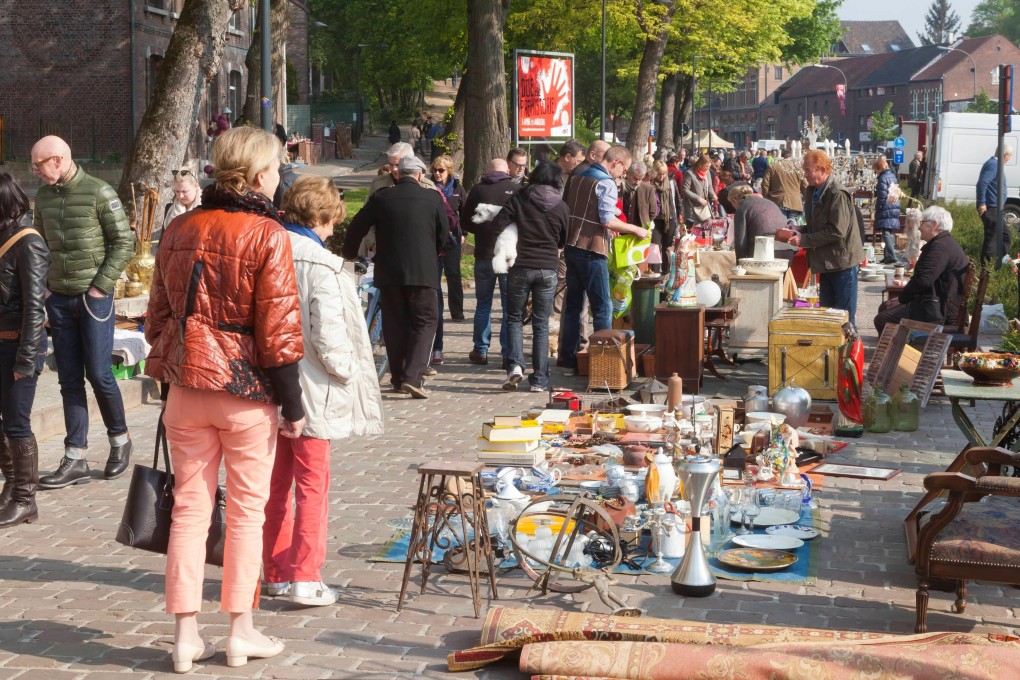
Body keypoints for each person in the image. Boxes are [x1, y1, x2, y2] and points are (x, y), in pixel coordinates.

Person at [145, 126, 305, 672]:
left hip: (187, 389)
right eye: (278, 169)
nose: (280, 176)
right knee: (245, 513)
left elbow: (156, 320)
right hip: (244, 391)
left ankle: (185, 636)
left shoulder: (179, 228)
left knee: (189, 509)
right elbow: (280, 331)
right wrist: (295, 404)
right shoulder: (266, 233)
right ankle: (241, 630)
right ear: (260, 175)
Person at [263, 176, 383, 607]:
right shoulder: (322, 264)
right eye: (332, 221)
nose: (334, 229)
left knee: (273, 484)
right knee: (312, 483)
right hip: (311, 387)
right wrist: (349, 371)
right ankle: (305, 575)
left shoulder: (266, 249)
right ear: (321, 217)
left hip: (266, 385)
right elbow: (329, 338)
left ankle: (274, 572)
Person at [31, 135, 134, 489]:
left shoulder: (100, 192)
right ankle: (75, 456)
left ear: (57, 160)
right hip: (58, 298)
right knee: (68, 379)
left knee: (101, 374)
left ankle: (120, 441)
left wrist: (100, 286)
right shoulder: (43, 196)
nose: (36, 171)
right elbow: (39, 241)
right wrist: (46, 288)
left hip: (94, 299)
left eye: (39, 164)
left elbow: (124, 242)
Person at [342, 156, 450, 399]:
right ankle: (412, 377)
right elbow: (444, 233)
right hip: (422, 272)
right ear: (421, 175)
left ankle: (399, 377)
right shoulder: (432, 198)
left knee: (394, 322)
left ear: (398, 174)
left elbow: (357, 226)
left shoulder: (382, 198)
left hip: (388, 271)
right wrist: (431, 253)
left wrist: (349, 253)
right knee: (425, 321)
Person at [558, 146, 648, 374]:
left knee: (573, 306)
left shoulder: (578, 176)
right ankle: (604, 362)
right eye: (624, 169)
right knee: (602, 307)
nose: (622, 174)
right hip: (592, 249)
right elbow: (607, 220)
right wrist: (635, 229)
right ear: (616, 162)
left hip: (572, 245)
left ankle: (567, 357)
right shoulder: (605, 182)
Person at [0, 174, 49, 528]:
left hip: (19, 343)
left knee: (17, 423)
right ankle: (11, 484)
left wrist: (26, 359)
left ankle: (24, 498)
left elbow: (35, 308)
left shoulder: (28, 242)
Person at [494, 162, 569, 392]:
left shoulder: (520, 199)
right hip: (548, 268)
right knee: (541, 324)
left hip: (521, 266)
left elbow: (499, 223)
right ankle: (539, 380)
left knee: (514, 318)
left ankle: (515, 366)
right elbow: (563, 240)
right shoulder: (561, 206)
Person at [789, 150, 863, 327]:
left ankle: (850, 354)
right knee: (827, 317)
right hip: (827, 262)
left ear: (822, 170)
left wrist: (804, 240)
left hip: (842, 262)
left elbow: (837, 231)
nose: (804, 174)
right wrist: (800, 229)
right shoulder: (813, 191)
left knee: (844, 319)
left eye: (808, 170)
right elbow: (819, 226)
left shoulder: (837, 193)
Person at [461, 158, 521, 367]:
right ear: (507, 170)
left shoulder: (478, 189)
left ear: (488, 170)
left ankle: (480, 350)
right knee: (508, 306)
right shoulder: (516, 189)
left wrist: (482, 231)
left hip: (484, 254)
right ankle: (507, 353)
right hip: (507, 255)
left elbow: (465, 220)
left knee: (483, 304)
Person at [873, 206, 969, 334]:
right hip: (935, 303)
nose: (919, 227)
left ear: (934, 225)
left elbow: (923, 281)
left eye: (922, 223)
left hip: (938, 312)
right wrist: (903, 298)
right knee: (884, 307)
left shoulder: (940, 247)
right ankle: (894, 351)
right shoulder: (942, 243)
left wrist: (902, 299)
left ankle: (901, 352)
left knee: (882, 319)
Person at [430, 155, 467, 366]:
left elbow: (465, 210)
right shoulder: (429, 188)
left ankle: (457, 309)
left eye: (441, 170)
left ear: (449, 171)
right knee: (435, 278)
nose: (437, 173)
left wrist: (464, 233)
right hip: (436, 241)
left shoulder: (457, 189)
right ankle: (438, 308)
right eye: (435, 170)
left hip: (453, 239)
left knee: (453, 273)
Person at [729, 184, 788, 261]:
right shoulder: (768, 202)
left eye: (731, 204)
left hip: (763, 251)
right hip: (786, 249)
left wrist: (739, 265)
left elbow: (740, 242)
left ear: (734, 201)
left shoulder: (742, 208)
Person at [976, 144, 1012, 263]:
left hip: (995, 208)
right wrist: (982, 203)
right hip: (991, 208)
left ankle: (1001, 262)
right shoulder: (994, 165)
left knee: (1005, 236)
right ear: (1005, 155)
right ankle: (985, 270)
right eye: (1010, 155)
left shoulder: (995, 164)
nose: (1009, 158)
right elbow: (982, 183)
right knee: (991, 239)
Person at [158, 169, 203, 244]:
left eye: (184, 191)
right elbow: (163, 241)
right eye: (177, 191)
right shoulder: (169, 208)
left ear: (196, 187)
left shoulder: (205, 209)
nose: (180, 196)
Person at [650, 160, 679, 272]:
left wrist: (680, 214)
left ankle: (667, 272)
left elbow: (677, 199)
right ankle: (655, 272)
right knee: (655, 247)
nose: (661, 177)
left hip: (669, 218)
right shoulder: (650, 184)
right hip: (656, 219)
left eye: (664, 174)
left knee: (668, 247)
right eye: (659, 174)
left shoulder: (671, 182)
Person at [761, 149, 805, 219]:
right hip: (794, 201)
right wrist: (806, 197)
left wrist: (766, 197)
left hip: (777, 200)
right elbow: (804, 184)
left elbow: (765, 184)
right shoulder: (798, 168)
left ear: (781, 156)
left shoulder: (773, 167)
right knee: (793, 226)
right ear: (790, 156)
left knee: (780, 227)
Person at [873, 156, 901, 264]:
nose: (875, 172)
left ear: (879, 168)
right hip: (893, 204)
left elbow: (882, 195)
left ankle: (892, 255)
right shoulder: (892, 175)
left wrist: (878, 208)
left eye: (875, 169)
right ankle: (887, 256)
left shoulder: (882, 178)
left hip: (886, 206)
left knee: (886, 232)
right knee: (888, 231)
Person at [680, 154, 717, 230]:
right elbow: (684, 190)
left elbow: (709, 186)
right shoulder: (689, 173)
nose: (708, 169)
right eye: (706, 166)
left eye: (709, 167)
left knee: (709, 226)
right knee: (694, 229)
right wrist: (698, 198)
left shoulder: (707, 172)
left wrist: (713, 194)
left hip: (704, 207)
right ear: (700, 164)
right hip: (691, 207)